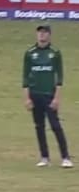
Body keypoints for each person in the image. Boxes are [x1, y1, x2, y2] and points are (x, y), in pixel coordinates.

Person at [22, 25, 73, 168]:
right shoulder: (30, 53)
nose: (42, 35)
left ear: (49, 35)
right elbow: (25, 77)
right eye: (40, 33)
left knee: (55, 126)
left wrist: (57, 98)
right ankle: (44, 157)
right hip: (35, 94)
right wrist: (26, 98)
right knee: (39, 126)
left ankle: (65, 157)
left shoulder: (55, 53)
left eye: (44, 33)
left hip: (49, 95)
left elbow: (59, 77)